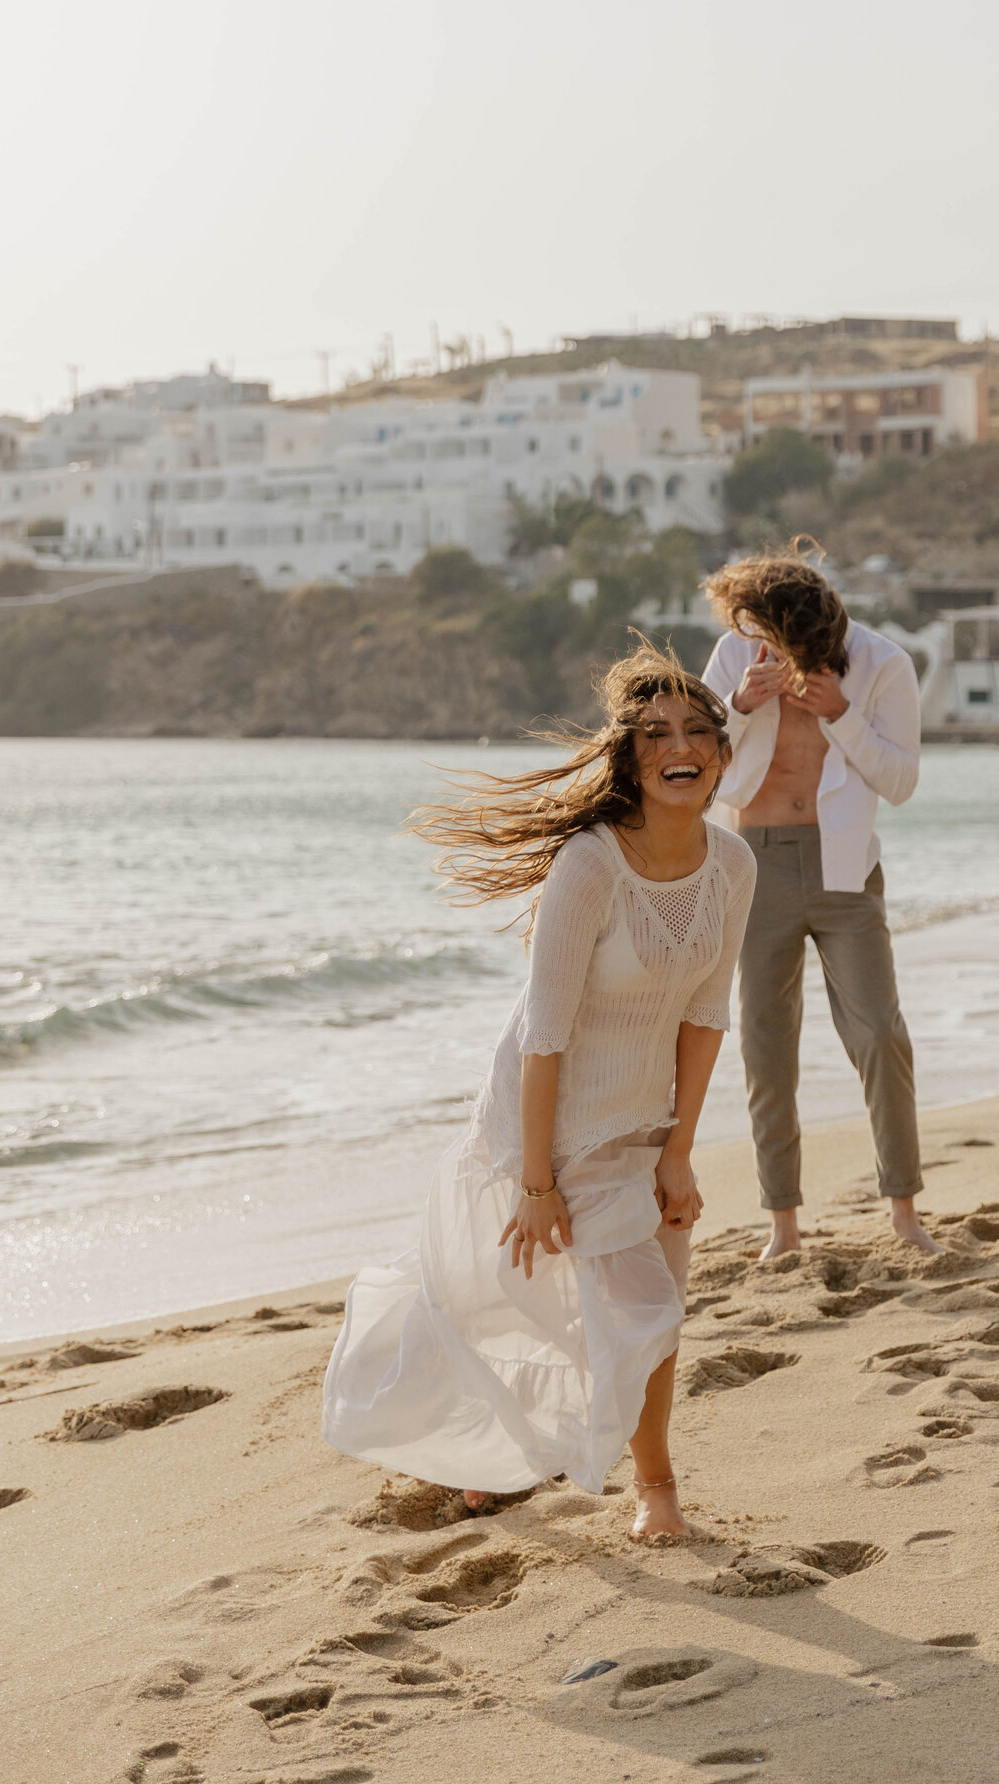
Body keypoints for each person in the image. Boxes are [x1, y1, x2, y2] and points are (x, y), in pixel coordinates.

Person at [322, 647, 755, 1544]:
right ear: (629, 759)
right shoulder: (591, 866)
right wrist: (533, 1179)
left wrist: (679, 1152)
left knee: (644, 1310)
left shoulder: (735, 866)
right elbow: (545, 1031)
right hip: (552, 1119)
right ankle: (654, 1492)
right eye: (655, 734)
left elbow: (708, 1013)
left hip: (648, 1123)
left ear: (722, 752)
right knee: (547, 1300)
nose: (681, 747)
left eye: (698, 732)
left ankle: (504, 1461)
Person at [700, 546, 933, 1263]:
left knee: (880, 1035)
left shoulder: (881, 662)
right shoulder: (737, 655)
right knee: (766, 1048)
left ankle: (903, 1211)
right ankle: (784, 1227)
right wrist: (739, 706)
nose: (772, 649)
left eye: (785, 640)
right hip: (755, 863)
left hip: (845, 870)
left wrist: (840, 715)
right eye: (760, 634)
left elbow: (900, 782)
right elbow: (696, 763)